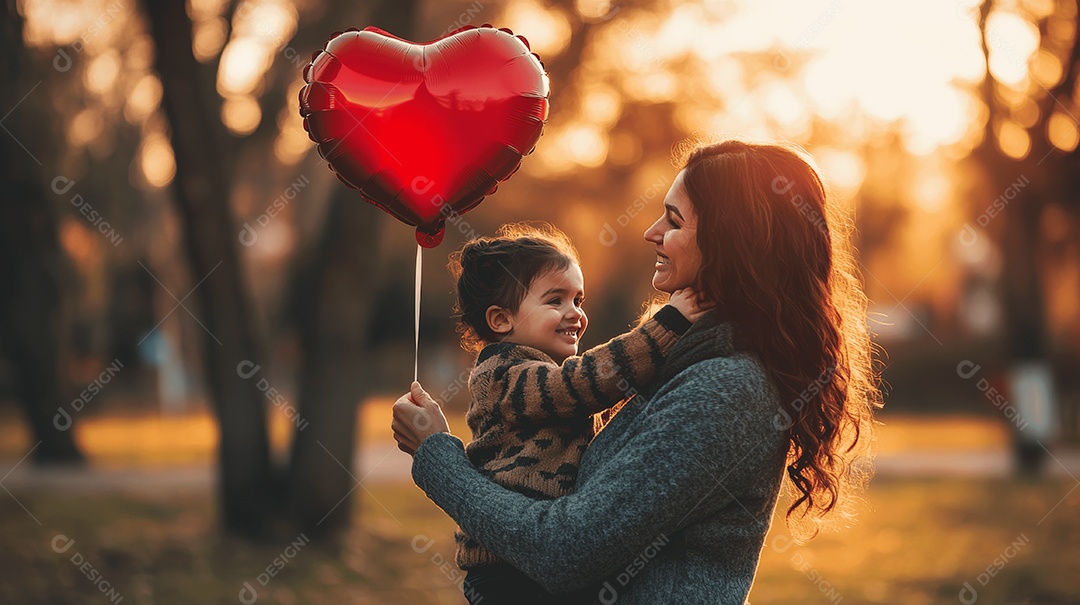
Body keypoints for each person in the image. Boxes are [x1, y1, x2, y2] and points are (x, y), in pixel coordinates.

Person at [392, 140, 881, 604]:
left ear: (729, 240)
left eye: (673, 220)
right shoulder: (693, 365)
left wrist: (437, 457)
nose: (651, 232)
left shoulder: (723, 390)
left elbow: (566, 551)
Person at [406, 223, 707, 605]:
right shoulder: (503, 375)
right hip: (508, 573)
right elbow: (582, 385)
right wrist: (668, 325)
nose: (575, 314)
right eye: (555, 301)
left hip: (544, 561)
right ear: (501, 320)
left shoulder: (541, 373)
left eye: (578, 300)